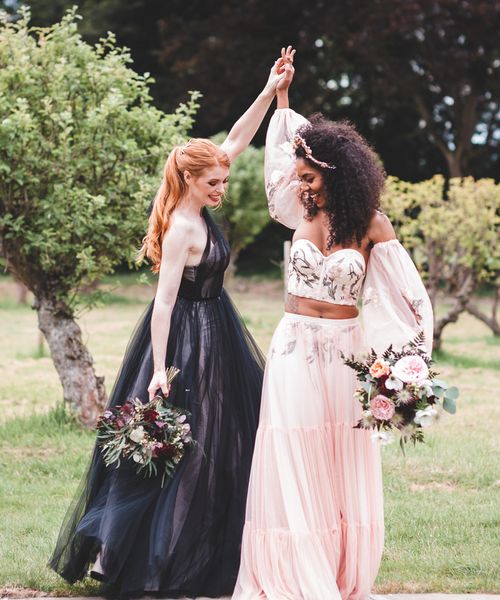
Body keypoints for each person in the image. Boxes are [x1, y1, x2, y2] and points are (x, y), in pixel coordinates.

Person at [49, 53, 291, 599]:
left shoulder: (203, 183)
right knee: (181, 446)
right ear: (188, 179)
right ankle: (148, 558)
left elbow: (237, 135)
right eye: (213, 183)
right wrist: (160, 369)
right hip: (184, 337)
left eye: (223, 181)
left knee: (227, 436)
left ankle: (215, 543)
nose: (221, 190)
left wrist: (269, 86)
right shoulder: (183, 226)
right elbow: (162, 304)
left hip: (217, 328)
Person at [233, 49, 434, 600]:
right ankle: (294, 575)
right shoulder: (296, 209)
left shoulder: (372, 225)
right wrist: (282, 96)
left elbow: (408, 299)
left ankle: (337, 569)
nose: (301, 185)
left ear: (335, 175)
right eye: (299, 176)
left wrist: (407, 367)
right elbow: (279, 153)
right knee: (290, 450)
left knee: (338, 456)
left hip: (348, 351)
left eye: (310, 177)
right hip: (295, 345)